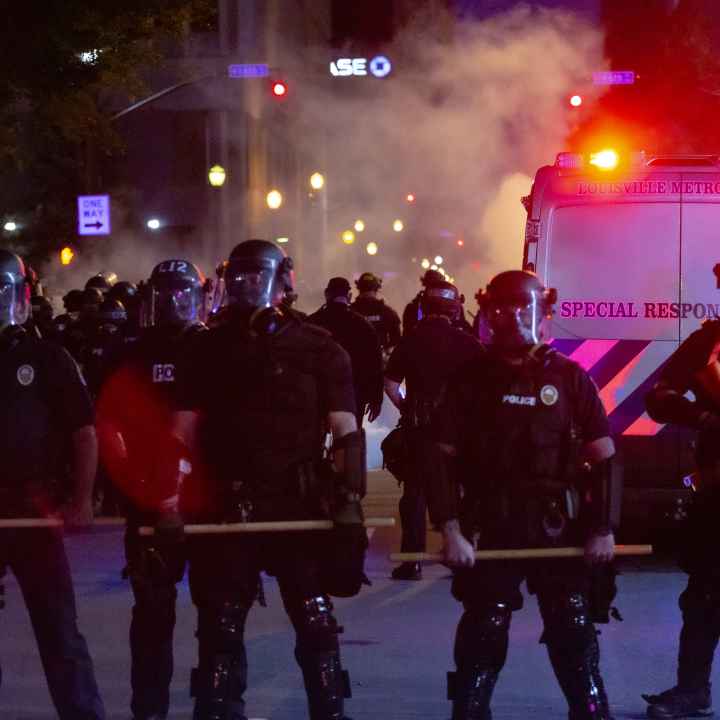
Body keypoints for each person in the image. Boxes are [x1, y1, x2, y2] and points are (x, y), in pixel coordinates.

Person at [171, 239, 367, 720]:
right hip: (227, 505)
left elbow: (346, 432)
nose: (248, 289)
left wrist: (348, 501)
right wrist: (168, 503)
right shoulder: (205, 349)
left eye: (258, 278)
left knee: (317, 625)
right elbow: (181, 435)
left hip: (297, 504)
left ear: (283, 283)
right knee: (219, 631)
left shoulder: (319, 348)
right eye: (240, 280)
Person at [431, 270, 618, 720]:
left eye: (522, 310)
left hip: (557, 525)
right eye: (501, 311)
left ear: (543, 314)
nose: (512, 321)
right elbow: (439, 460)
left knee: (573, 630)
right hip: (490, 524)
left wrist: (603, 528)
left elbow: (606, 458)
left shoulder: (570, 378)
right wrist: (451, 530)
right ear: (486, 314)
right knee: (482, 632)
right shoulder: (469, 380)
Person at [97, 259, 210, 720]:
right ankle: (153, 709)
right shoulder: (133, 350)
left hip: (197, 499)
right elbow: (106, 423)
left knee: (213, 615)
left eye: (184, 296)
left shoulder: (213, 347)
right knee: (155, 614)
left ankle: (212, 705)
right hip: (162, 500)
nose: (177, 306)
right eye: (169, 297)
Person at [0, 250, 106, 719]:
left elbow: (84, 432)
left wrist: (81, 500)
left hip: (33, 506)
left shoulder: (46, 357)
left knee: (58, 629)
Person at [642, 269, 720, 719]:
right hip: (715, 492)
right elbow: (660, 397)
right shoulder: (705, 343)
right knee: (705, 595)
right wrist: (703, 418)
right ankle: (693, 689)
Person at [384, 281, 482, 580]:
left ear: (425, 306)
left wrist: (405, 408)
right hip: (459, 433)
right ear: (454, 309)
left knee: (415, 493)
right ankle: (460, 557)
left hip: (419, 428)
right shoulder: (469, 343)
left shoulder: (411, 340)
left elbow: (390, 385)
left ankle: (411, 561)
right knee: (460, 491)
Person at [309, 277, 384, 427]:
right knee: (350, 441)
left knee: (315, 440)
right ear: (349, 296)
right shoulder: (363, 325)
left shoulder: (312, 323)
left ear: (326, 294)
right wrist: (376, 398)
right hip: (354, 394)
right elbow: (375, 364)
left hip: (318, 394)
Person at [350, 272, 401, 359]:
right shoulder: (387, 312)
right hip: (379, 361)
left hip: (355, 361)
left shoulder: (350, 311)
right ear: (376, 289)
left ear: (359, 289)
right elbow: (396, 340)